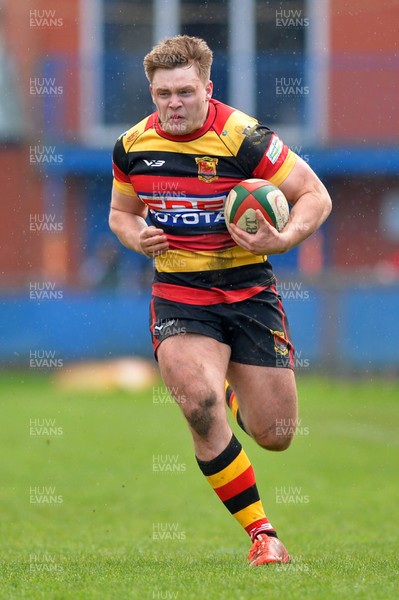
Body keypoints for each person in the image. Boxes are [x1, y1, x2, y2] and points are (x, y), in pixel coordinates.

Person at [109, 35, 332, 566]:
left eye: (185, 92)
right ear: (152, 92)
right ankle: (263, 534)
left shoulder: (245, 138)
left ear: (208, 88)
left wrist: (283, 239)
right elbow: (120, 213)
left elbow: (315, 196)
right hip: (180, 295)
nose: (174, 104)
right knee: (197, 403)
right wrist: (136, 234)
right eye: (162, 94)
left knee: (275, 434)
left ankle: (232, 386)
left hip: (250, 291)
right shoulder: (132, 147)